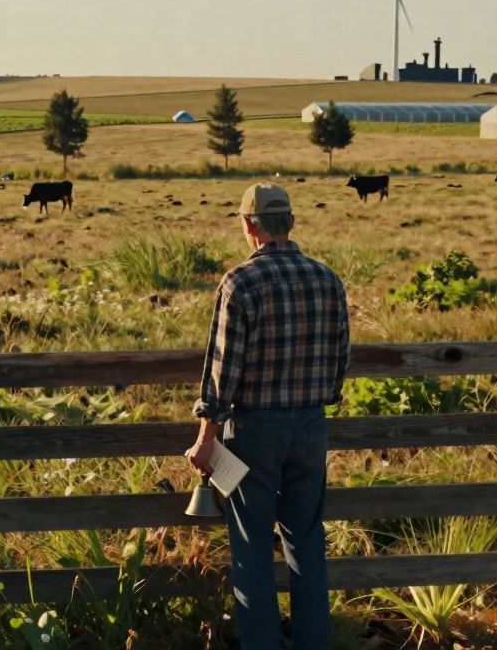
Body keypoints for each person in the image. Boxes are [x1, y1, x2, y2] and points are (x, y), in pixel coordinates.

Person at [186, 182, 349, 650]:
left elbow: (222, 369)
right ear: (291, 223)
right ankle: (314, 643)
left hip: (254, 429)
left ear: (248, 225)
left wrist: (206, 436)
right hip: (311, 426)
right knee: (306, 542)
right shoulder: (327, 279)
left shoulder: (240, 282)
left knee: (252, 547)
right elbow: (340, 362)